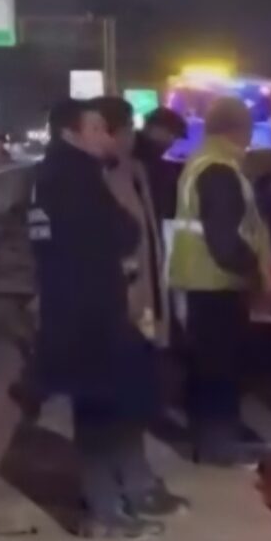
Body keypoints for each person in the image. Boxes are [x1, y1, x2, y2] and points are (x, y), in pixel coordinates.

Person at [31, 98, 185, 538]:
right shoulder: (75, 178)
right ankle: (105, 513)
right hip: (90, 316)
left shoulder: (56, 175)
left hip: (82, 313)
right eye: (95, 128)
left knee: (109, 409)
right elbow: (120, 233)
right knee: (98, 416)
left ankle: (119, 499)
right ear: (71, 132)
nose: (106, 136)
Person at [167, 96, 271, 466]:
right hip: (217, 283)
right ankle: (219, 446)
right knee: (220, 372)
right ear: (239, 130)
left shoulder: (201, 162)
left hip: (200, 282)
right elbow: (225, 239)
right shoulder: (220, 170)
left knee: (207, 369)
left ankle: (209, 440)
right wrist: (255, 274)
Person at [96, 98, 168, 351]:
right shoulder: (97, 178)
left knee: (146, 344)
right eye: (127, 128)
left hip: (147, 290)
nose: (132, 136)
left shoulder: (137, 172)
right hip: (122, 297)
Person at [137, 106, 188, 221]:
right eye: (172, 133)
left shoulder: (147, 157)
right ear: (154, 128)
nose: (172, 141)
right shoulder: (150, 163)